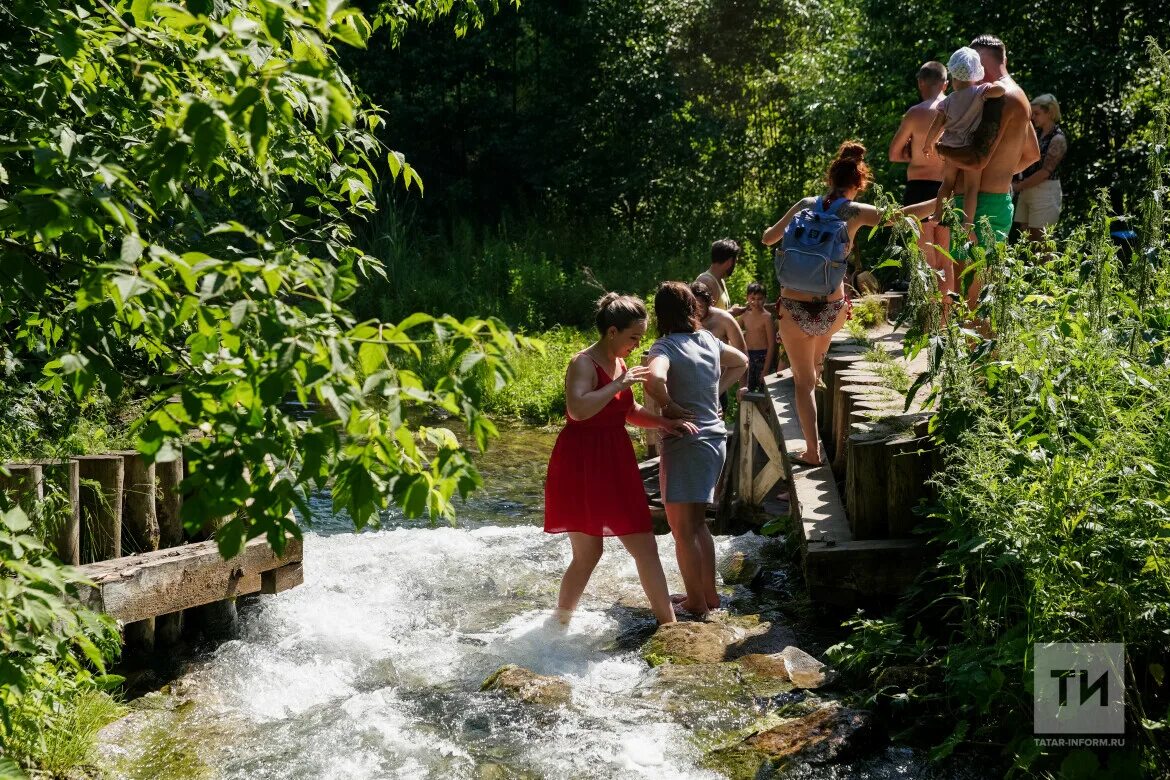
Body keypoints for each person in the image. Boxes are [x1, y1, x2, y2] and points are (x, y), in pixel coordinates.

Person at [761, 142, 936, 466]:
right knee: (819, 351)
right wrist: (941, 199)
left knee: (802, 384)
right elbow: (897, 218)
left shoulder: (805, 205)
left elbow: (768, 238)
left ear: (831, 177)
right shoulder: (851, 212)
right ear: (859, 184)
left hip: (793, 310)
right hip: (831, 311)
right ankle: (818, 363)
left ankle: (812, 451)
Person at [544, 293, 698, 626]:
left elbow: (626, 410)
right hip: (581, 463)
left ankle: (668, 625)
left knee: (644, 543)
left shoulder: (621, 363)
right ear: (612, 332)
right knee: (589, 553)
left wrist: (663, 423)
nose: (636, 344)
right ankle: (559, 625)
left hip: (615, 459)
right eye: (633, 337)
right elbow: (578, 410)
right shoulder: (582, 363)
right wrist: (618, 382)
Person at [644, 282, 748, 617]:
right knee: (699, 523)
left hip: (685, 441)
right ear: (692, 309)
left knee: (681, 530)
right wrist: (714, 394)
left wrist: (669, 406)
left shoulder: (664, 347)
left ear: (660, 314)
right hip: (715, 439)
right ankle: (709, 596)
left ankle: (695, 602)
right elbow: (742, 361)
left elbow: (654, 379)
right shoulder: (708, 339)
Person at [954, 34, 1041, 308]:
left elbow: (977, 158)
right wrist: (1001, 174)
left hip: (980, 207)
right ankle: (983, 349)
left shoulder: (997, 99)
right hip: (995, 200)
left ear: (979, 65)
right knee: (979, 295)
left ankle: (981, 351)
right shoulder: (1019, 94)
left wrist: (940, 148)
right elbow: (1033, 154)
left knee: (972, 298)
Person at [923, 48, 1006, 242]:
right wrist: (991, 85)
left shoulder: (949, 100)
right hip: (969, 149)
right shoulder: (980, 92)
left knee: (947, 184)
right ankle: (967, 224)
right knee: (971, 188)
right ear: (976, 73)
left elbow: (937, 124)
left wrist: (928, 144)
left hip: (950, 149)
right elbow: (1000, 91)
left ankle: (937, 214)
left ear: (953, 76)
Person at [889, 61, 950, 293]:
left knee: (924, 253)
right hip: (947, 186)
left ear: (920, 83)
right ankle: (945, 313)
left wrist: (915, 155)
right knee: (945, 254)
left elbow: (894, 154)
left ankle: (927, 312)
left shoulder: (915, 113)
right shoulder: (956, 109)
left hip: (918, 187)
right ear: (946, 83)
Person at [1012, 93, 1067, 246]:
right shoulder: (1035, 134)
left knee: (1042, 240)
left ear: (1049, 113)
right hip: (1027, 189)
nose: (1033, 117)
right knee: (1025, 236)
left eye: (1037, 113)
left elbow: (1045, 172)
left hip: (1045, 192)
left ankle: (1046, 270)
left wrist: (1019, 186)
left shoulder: (1058, 138)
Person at [691, 283, 747, 413]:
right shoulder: (688, 319)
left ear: (710, 303)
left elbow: (742, 353)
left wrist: (744, 386)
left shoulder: (724, 319)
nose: (697, 311)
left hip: (719, 384)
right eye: (693, 307)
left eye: (700, 306)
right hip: (694, 386)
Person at [737, 282, 775, 395]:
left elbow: (772, 344)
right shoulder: (744, 316)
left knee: (764, 393)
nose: (755, 302)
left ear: (765, 299)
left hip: (763, 358)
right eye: (752, 298)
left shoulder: (767, 317)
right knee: (746, 391)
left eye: (759, 299)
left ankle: (765, 412)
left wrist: (766, 369)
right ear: (747, 298)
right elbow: (734, 331)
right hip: (748, 356)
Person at [693, 239, 743, 314]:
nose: (735, 266)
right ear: (729, 262)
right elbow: (700, 316)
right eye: (735, 261)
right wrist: (732, 312)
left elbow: (715, 313)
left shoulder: (720, 280)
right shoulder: (705, 281)